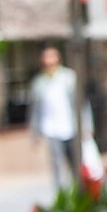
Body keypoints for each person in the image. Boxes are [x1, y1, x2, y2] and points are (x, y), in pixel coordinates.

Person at [28, 46, 87, 191]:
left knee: (76, 163)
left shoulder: (68, 77)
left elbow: (81, 103)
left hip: (71, 126)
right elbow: (35, 109)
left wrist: (86, 125)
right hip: (51, 128)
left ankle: (80, 193)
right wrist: (34, 133)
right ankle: (61, 195)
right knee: (57, 165)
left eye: (52, 57)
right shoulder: (39, 83)